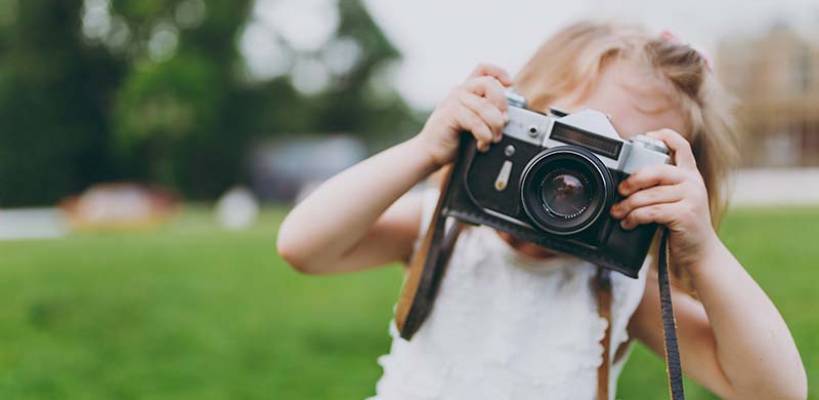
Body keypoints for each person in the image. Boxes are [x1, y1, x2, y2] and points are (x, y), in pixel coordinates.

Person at [276, 21, 807, 400]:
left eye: (612, 160)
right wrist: (424, 151)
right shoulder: (447, 226)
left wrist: (705, 253)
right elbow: (302, 247)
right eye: (566, 140)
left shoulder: (622, 286)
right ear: (515, 119)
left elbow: (773, 392)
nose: (574, 181)